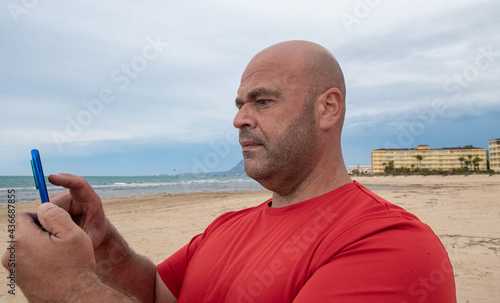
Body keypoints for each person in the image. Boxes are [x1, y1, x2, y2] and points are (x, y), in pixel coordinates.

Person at [2, 40, 456, 302]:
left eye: (262, 101)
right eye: (239, 105)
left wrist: (69, 290)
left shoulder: (392, 245)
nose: (239, 119)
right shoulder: (226, 228)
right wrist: (102, 241)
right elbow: (159, 296)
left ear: (327, 108)